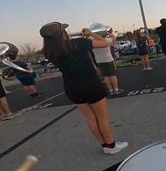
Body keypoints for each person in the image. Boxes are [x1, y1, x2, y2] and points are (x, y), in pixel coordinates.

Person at [40, 22, 128, 154]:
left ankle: (105, 145)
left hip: (72, 88)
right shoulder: (79, 43)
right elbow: (105, 43)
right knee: (102, 118)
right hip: (90, 85)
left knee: (90, 118)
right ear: (61, 33)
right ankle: (112, 146)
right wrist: (91, 34)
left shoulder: (48, 51)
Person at [92, 29, 122, 95]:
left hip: (99, 61)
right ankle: (116, 89)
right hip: (108, 60)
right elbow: (114, 37)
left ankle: (111, 90)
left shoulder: (92, 42)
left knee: (106, 76)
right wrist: (107, 32)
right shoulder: (106, 40)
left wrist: (92, 34)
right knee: (112, 75)